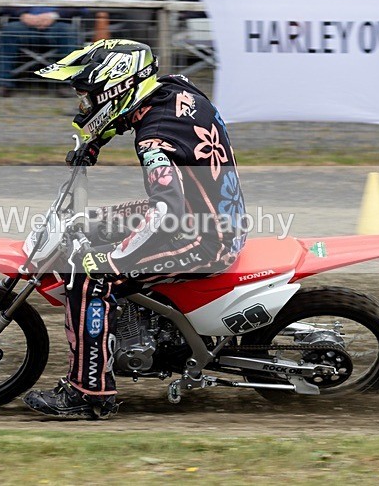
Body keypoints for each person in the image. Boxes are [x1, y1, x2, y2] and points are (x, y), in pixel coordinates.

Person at [22, 39, 247, 419]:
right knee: (83, 224)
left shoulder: (155, 141)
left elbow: (165, 210)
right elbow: (126, 115)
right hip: (205, 213)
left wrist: (113, 257)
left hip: (202, 236)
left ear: (115, 88)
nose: (84, 105)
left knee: (91, 274)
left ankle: (89, 395)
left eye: (89, 96)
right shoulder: (175, 88)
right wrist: (95, 140)